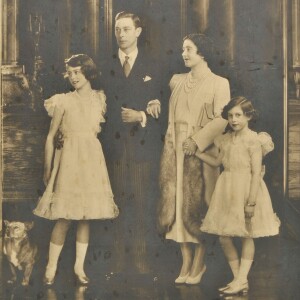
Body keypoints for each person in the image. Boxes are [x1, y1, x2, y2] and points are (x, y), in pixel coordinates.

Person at [33, 54, 119, 285]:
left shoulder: (100, 99)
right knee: (64, 217)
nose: (73, 77)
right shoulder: (62, 101)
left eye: (77, 72)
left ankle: (79, 269)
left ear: (88, 73)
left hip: (91, 162)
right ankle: (50, 269)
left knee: (85, 217)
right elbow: (51, 137)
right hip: (69, 161)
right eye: (70, 73)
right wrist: (47, 168)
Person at [157, 33, 230, 284]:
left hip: (200, 152)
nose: (184, 54)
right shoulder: (177, 81)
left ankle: (199, 261)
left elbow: (223, 119)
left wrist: (197, 141)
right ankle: (185, 261)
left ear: (203, 53)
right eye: (182, 49)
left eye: (189, 49)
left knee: (199, 205)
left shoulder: (219, 83)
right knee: (177, 205)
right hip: (175, 149)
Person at [100, 11, 162, 274]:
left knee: (141, 201)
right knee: (113, 201)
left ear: (138, 32)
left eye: (126, 29)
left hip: (142, 148)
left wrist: (142, 116)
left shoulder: (155, 65)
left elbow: (165, 107)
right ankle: (116, 261)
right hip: (111, 148)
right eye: (117, 30)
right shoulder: (104, 64)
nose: (121, 35)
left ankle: (140, 260)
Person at [198, 96, 280, 295]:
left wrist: (251, 202)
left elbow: (255, 173)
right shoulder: (226, 139)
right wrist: (196, 153)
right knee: (224, 238)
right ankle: (239, 279)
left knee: (246, 234)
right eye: (230, 116)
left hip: (247, 190)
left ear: (248, 116)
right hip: (227, 190)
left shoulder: (254, 140)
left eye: (238, 115)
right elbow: (218, 162)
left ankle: (241, 279)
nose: (234, 120)